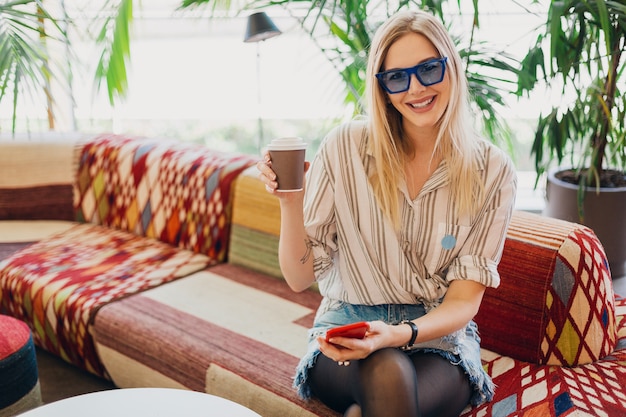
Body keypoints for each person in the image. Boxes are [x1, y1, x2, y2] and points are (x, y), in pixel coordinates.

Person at [257, 9, 517, 417]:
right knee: (388, 373)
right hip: (348, 327)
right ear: (382, 88)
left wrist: (397, 334)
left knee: (381, 397)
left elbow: (464, 301)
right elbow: (299, 276)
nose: (415, 89)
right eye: (397, 77)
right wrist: (291, 201)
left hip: (438, 339)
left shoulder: (493, 171)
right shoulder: (345, 147)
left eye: (429, 69)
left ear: (451, 66)